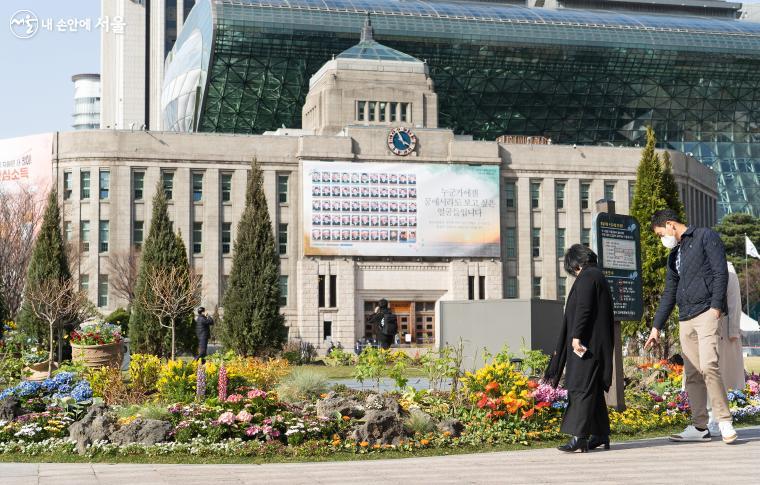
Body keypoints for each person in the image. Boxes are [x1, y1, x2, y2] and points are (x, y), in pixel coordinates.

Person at [644, 209, 737, 444]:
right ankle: (699, 426)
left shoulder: (705, 236)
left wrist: (716, 307)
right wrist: (656, 327)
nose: (661, 238)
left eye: (660, 233)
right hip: (685, 318)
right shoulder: (674, 254)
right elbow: (669, 293)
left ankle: (724, 420)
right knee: (693, 373)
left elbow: (719, 272)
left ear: (670, 224)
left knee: (709, 366)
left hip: (706, 311)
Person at [545, 244, 614, 453]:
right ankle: (600, 434)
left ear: (577, 264)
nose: (574, 273)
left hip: (585, 344)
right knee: (591, 388)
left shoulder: (587, 277)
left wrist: (576, 337)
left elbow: (584, 308)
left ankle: (579, 437)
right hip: (597, 344)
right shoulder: (598, 276)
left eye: (572, 269)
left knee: (580, 387)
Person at [707, 262, 746, 434]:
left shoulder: (728, 269)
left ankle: (716, 418)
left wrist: (733, 330)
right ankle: (709, 417)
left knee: (718, 374)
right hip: (702, 328)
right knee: (704, 375)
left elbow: (734, 301)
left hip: (721, 328)